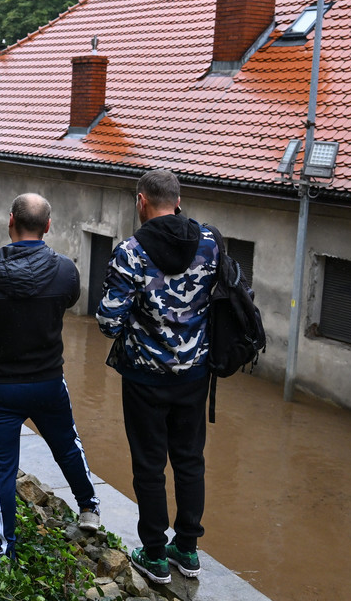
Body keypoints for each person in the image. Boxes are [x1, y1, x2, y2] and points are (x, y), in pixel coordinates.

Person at [0, 193, 100, 564]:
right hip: (48, 382)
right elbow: (67, 301)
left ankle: (4, 553)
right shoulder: (66, 271)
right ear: (48, 226)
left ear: (9, 220)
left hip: (0, 389)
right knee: (67, 444)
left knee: (1, 469)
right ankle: (89, 508)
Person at [95, 168, 219, 584]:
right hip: (195, 374)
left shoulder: (130, 250)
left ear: (141, 201)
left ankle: (153, 555)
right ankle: (187, 550)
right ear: (178, 201)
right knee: (190, 460)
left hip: (146, 377)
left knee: (149, 464)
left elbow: (109, 322)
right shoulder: (210, 242)